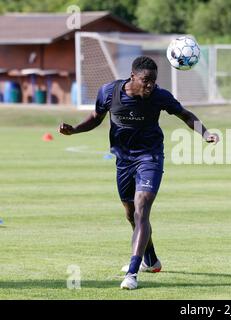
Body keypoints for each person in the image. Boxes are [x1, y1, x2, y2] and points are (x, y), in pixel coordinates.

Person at [59, 56, 219, 290]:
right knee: (130, 213)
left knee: (142, 208)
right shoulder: (109, 92)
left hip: (149, 156)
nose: (150, 85)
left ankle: (133, 272)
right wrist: (74, 130)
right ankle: (151, 259)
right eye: (146, 80)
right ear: (133, 76)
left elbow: (185, 114)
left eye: (153, 81)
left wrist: (205, 134)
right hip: (123, 160)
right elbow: (96, 118)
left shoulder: (159, 96)